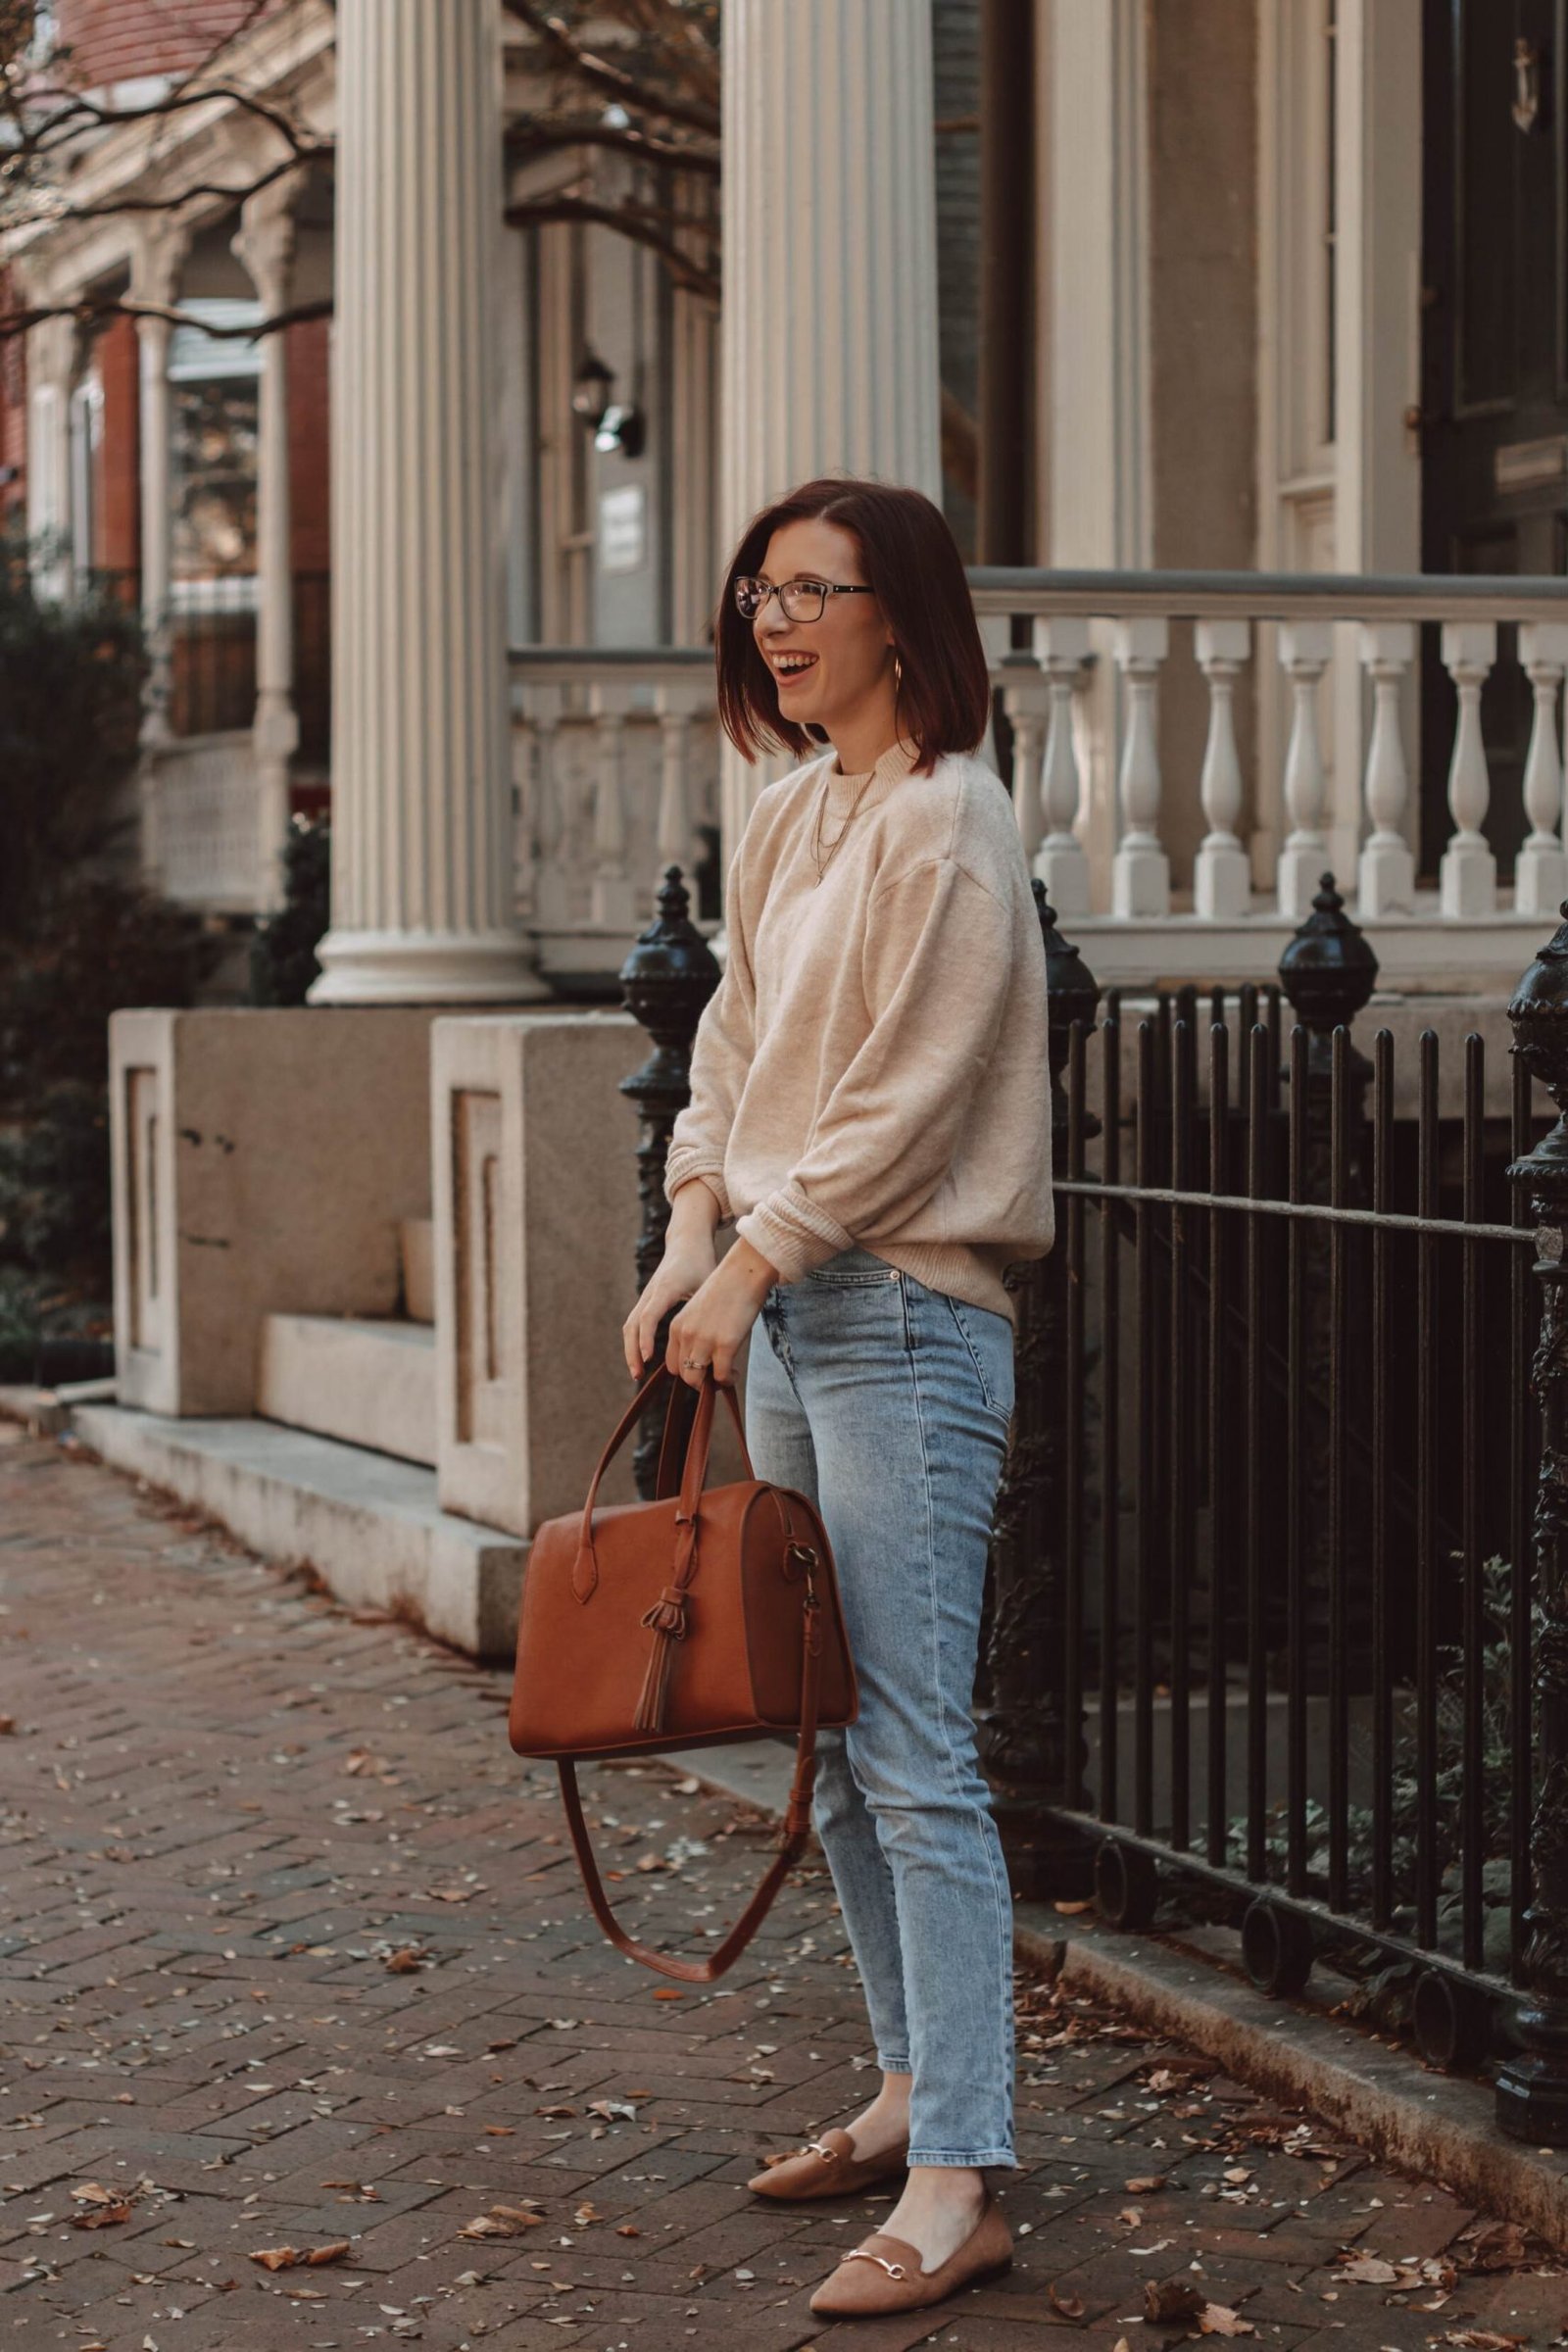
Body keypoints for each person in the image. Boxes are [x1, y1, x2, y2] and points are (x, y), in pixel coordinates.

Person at [621, 474, 1053, 2322]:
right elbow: (727, 1056)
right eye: (759, 592)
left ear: (905, 616)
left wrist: (752, 1257)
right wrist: (688, 1230)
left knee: (917, 1757)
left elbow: (905, 1103)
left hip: (900, 1322)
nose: (775, 620)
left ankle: (965, 2175)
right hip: (785, 1310)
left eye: (812, 590)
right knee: (842, 1758)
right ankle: (902, 2091)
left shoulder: (954, 823)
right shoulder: (797, 815)